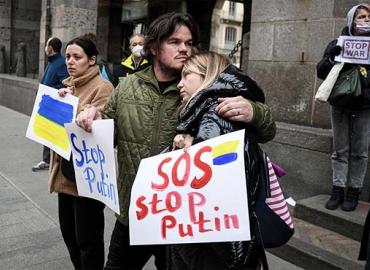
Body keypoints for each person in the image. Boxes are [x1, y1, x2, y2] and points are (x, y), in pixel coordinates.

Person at [76, 12, 275, 270]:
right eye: (175, 42)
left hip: (183, 220)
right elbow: (109, 131)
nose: (184, 49)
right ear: (155, 46)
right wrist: (94, 116)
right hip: (135, 212)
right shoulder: (128, 86)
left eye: (189, 43)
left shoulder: (205, 84)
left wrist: (254, 111)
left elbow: (266, 129)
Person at [168, 52, 267, 270]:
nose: (180, 85)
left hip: (212, 246)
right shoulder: (207, 110)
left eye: (187, 76)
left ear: (207, 76)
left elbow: (204, 182)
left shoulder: (216, 112)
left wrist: (187, 149)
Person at [48, 35, 113, 269]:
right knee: (69, 233)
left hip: (88, 176)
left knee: (88, 239)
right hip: (66, 172)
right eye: (67, 57)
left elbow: (103, 124)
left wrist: (76, 107)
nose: (70, 62)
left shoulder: (103, 87)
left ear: (92, 60)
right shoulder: (68, 85)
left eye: (77, 57)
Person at [317, 3, 370, 212]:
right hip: (340, 104)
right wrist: (331, 56)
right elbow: (321, 72)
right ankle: (337, 190)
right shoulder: (338, 42)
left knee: (360, 152)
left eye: (368, 17)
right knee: (340, 151)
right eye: (361, 17)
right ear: (351, 21)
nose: (365, 21)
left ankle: (353, 192)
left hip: (365, 106)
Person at [32, 37, 69, 172]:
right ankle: (47, 160)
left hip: (54, 104)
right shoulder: (52, 62)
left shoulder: (60, 63)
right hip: (46, 104)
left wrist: (53, 93)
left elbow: (65, 82)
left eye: (47, 45)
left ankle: (49, 160)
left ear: (51, 48)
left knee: (51, 132)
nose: (45, 47)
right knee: (46, 132)